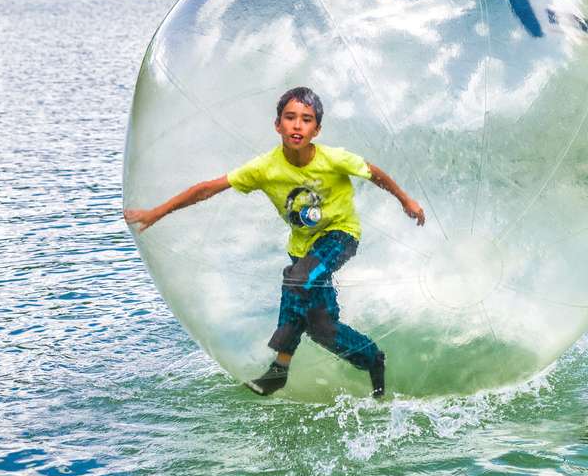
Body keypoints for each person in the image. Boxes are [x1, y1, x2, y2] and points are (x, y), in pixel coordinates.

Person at [124, 86, 425, 398]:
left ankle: (278, 370)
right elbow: (207, 188)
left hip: (341, 235)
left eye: (306, 120)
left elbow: (373, 173)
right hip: (302, 250)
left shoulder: (334, 159)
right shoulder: (264, 167)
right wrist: (156, 212)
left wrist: (406, 200)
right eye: (290, 118)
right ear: (277, 124)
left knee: (298, 279)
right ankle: (373, 358)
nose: (297, 125)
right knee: (321, 329)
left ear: (317, 129)